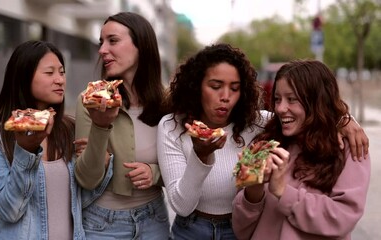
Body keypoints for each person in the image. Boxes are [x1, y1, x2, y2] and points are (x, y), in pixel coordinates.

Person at [157, 44, 369, 240]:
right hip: (192, 229)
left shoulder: (260, 125)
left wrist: (345, 120)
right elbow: (184, 206)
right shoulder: (174, 127)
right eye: (215, 86)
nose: (225, 96)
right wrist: (204, 158)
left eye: (234, 88)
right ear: (196, 86)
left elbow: (342, 215)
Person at [231, 59, 371, 240]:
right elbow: (241, 231)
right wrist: (253, 191)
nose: (280, 109)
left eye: (292, 99)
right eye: (277, 99)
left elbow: (342, 217)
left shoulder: (350, 148)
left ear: (317, 101)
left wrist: (283, 192)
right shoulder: (265, 144)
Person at [0, 40, 85, 239]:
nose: (60, 80)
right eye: (49, 73)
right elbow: (9, 211)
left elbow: (90, 198)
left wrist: (101, 151)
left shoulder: (70, 129)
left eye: (62, 71)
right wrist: (25, 151)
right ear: (23, 77)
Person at [74, 12, 170, 239]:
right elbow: (86, 178)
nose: (102, 50)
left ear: (141, 45)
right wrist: (100, 125)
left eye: (113, 40)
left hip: (154, 219)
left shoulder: (168, 102)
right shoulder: (89, 100)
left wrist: (154, 173)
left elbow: (185, 166)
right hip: (102, 225)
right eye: (101, 42)